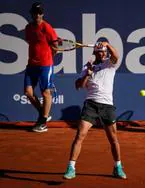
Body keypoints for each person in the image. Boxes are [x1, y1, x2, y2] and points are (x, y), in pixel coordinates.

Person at [63, 41, 127, 180]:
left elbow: (116, 55)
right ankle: (71, 168)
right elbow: (78, 86)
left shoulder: (110, 64)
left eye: (103, 51)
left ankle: (118, 167)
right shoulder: (87, 66)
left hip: (107, 106)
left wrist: (108, 44)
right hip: (91, 105)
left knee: (113, 139)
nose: (101, 53)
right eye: (99, 51)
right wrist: (88, 73)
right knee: (80, 135)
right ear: (95, 53)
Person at [24, 2, 58, 132]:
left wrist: (48, 57)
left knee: (45, 92)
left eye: (39, 13)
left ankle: (42, 122)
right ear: (32, 14)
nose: (37, 15)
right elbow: (32, 43)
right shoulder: (28, 28)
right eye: (35, 13)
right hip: (31, 65)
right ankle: (44, 114)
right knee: (28, 93)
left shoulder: (47, 28)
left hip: (45, 65)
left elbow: (55, 47)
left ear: (42, 14)